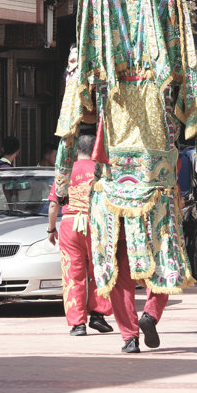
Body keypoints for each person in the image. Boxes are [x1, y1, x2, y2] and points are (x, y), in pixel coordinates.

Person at [46, 134, 113, 336]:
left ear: (76, 151)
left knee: (72, 275)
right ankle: (98, 315)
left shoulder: (65, 171)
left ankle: (77, 324)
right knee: (99, 270)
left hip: (69, 225)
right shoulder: (102, 171)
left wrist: (51, 229)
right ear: (95, 150)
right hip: (96, 224)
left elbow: (53, 204)